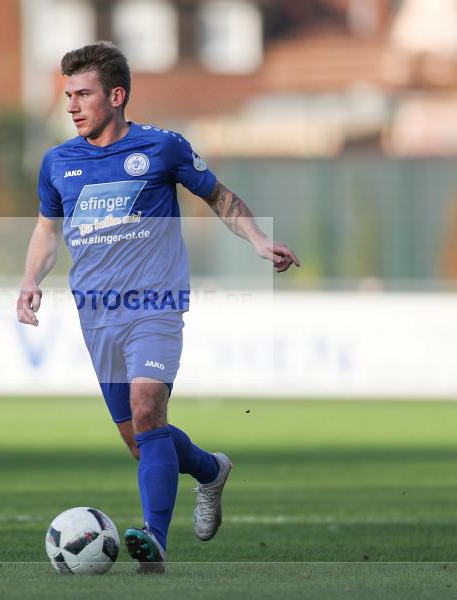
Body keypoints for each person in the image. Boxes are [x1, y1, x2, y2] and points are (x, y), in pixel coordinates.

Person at [16, 43, 300, 573]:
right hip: (96, 314)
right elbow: (46, 230)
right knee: (142, 442)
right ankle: (210, 470)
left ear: (116, 96)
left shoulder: (162, 148)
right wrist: (31, 280)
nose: (72, 106)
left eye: (83, 94)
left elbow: (219, 196)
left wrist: (257, 239)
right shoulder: (58, 162)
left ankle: (154, 541)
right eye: (68, 96)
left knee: (148, 410)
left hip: (155, 303)